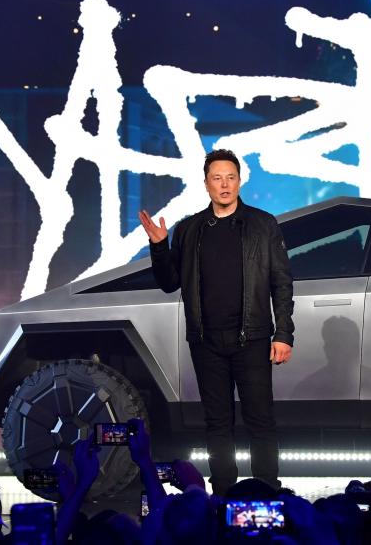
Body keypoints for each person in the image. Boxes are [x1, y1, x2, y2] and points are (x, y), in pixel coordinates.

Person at [140, 148, 295, 496]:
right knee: (217, 423)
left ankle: (267, 492)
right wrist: (159, 247)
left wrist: (283, 333)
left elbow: (281, 282)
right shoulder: (189, 229)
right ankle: (222, 494)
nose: (224, 185)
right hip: (206, 340)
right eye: (217, 178)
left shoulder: (262, 224)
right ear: (206, 183)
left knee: (260, 421)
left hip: (253, 338)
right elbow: (169, 282)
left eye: (230, 177)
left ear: (239, 181)